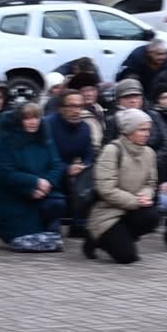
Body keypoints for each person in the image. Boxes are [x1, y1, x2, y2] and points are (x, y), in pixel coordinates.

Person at [84, 108, 162, 264]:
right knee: (127, 257)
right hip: (107, 212)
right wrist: (135, 201)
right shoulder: (112, 150)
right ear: (129, 130)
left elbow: (151, 183)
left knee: (152, 217)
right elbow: (106, 189)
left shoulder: (149, 153)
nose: (147, 133)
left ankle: (120, 238)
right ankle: (94, 237)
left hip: (131, 209)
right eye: (142, 129)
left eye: (148, 129)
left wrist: (146, 194)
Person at [0, 100, 65, 245]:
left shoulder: (44, 138)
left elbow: (57, 165)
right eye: (27, 118)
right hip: (13, 195)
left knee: (57, 204)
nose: (33, 122)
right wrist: (33, 183)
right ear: (19, 120)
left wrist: (46, 183)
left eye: (36, 118)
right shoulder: (7, 141)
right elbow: (6, 173)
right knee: (21, 237)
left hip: (43, 191)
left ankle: (48, 224)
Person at [47, 87, 102, 230]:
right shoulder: (48, 125)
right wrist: (66, 168)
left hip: (74, 173)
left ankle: (79, 224)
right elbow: (45, 156)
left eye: (79, 106)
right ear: (61, 108)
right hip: (50, 172)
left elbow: (89, 154)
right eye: (71, 106)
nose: (77, 111)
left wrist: (84, 166)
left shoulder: (84, 128)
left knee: (92, 176)